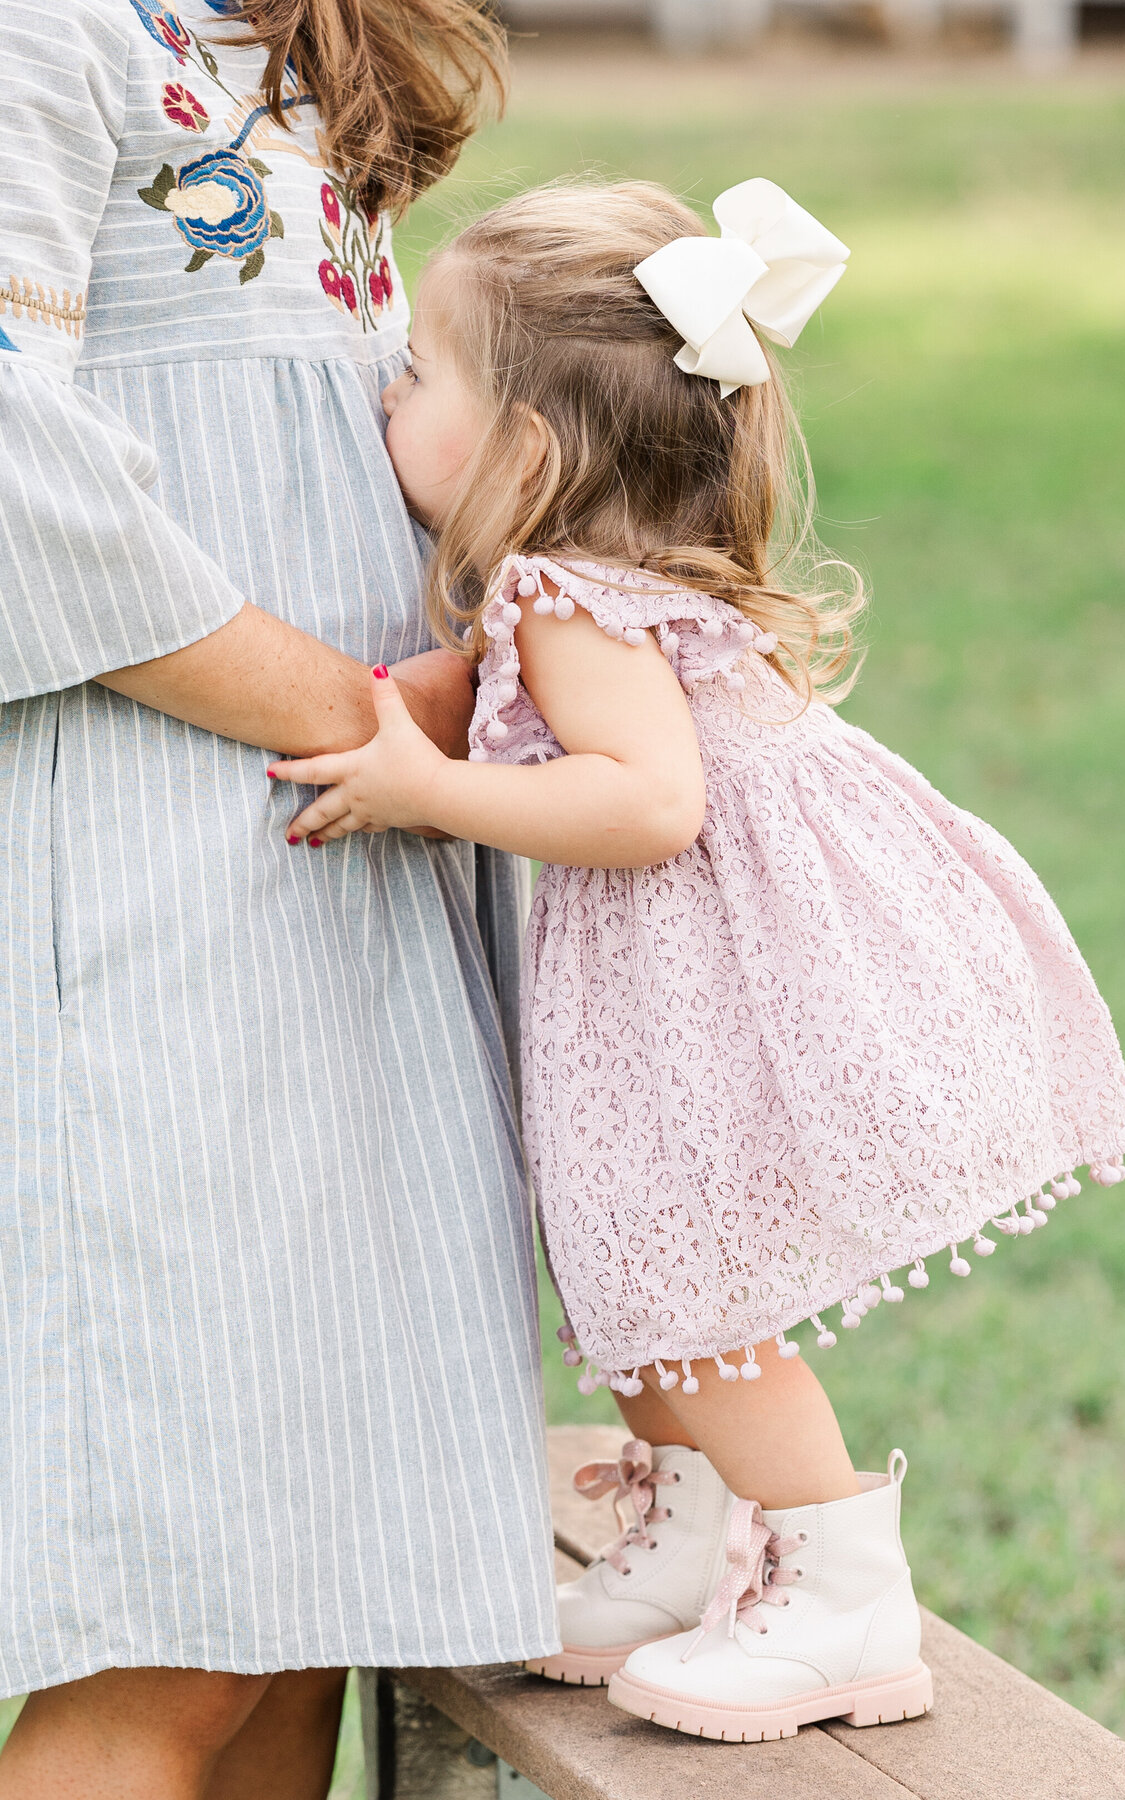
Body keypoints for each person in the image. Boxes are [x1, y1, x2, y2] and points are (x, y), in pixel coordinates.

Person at [268, 176, 1125, 1744]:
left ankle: (839, 1591)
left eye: (417, 377)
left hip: (709, 985)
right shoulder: (569, 579)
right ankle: (681, 1539)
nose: (387, 396)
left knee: (700, 1301)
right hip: (691, 982)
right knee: (643, 1275)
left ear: (521, 453)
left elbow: (648, 800)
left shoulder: (564, 599)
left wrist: (425, 792)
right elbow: (462, 694)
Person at [0, 4, 560, 1796]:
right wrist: (355, 713)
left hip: (359, 883)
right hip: (165, 861)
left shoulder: (296, 41)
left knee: (296, 1607)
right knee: (171, 1631)